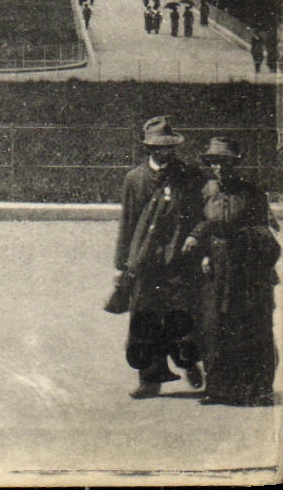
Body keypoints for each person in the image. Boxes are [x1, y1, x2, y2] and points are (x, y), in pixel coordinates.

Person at [181, 137, 279, 406]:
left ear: (235, 164)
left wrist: (245, 243)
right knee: (214, 325)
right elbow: (198, 222)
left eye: (224, 162)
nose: (219, 168)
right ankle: (219, 388)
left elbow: (264, 230)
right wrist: (202, 252)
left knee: (252, 325)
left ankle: (259, 389)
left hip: (245, 266)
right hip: (214, 264)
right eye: (214, 162)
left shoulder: (252, 192)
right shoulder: (204, 191)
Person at [114, 116, 205, 398]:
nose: (161, 152)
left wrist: (196, 242)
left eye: (166, 147)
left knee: (182, 315)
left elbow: (200, 214)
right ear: (147, 148)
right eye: (155, 147)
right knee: (144, 319)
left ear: (173, 148)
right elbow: (127, 222)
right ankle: (149, 379)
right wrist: (121, 266)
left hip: (179, 257)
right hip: (145, 261)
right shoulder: (134, 179)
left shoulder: (189, 176)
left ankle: (189, 362)